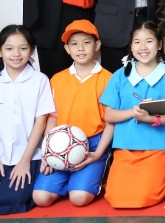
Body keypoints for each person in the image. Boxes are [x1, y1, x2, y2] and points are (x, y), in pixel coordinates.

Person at [0, 25, 55, 215]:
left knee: (17, 199)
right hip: (0, 156)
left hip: (30, 155)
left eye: (23, 48)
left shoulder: (40, 80)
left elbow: (41, 123)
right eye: (9, 48)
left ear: (32, 51)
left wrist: (24, 161)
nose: (16, 54)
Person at [32, 19, 114, 207]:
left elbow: (111, 122)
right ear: (67, 49)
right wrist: (48, 153)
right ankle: (68, 179)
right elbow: (52, 120)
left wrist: (98, 153)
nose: (81, 48)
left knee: (79, 198)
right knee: (41, 198)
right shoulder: (57, 79)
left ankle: (97, 171)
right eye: (74, 44)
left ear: (97, 45)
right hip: (60, 144)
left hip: (94, 144)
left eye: (86, 42)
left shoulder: (108, 78)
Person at [99, 21, 165, 208]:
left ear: (159, 44)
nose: (143, 47)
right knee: (115, 198)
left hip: (157, 148)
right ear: (131, 46)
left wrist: (152, 119)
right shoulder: (120, 75)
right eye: (137, 42)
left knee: (144, 197)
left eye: (149, 41)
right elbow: (109, 116)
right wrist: (132, 112)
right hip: (125, 147)